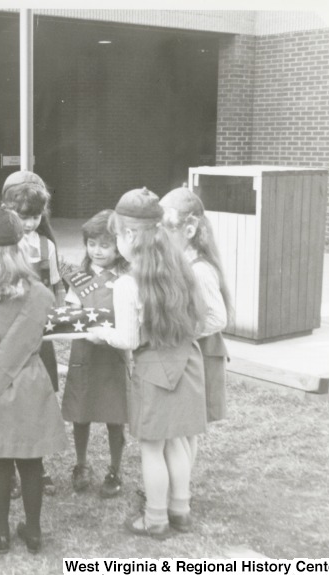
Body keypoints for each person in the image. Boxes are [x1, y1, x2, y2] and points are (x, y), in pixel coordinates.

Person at [87, 188, 206, 539]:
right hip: (188, 362)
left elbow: (129, 340)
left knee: (153, 448)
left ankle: (155, 518)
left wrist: (98, 333)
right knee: (178, 442)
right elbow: (199, 320)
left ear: (127, 237)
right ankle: (180, 510)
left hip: (154, 370)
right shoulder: (183, 267)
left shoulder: (127, 283)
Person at [0, 207, 68, 554]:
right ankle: (33, 530)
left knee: (0, 462)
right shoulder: (41, 294)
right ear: (21, 249)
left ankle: (1, 532)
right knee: (32, 461)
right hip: (33, 379)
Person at [0, 170, 63, 497]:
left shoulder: (46, 246)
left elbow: (56, 288)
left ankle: (38, 467)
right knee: (8, 403)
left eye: (35, 217)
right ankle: (9, 469)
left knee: (39, 400)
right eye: (22, 217)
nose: (28, 224)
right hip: (6, 337)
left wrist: (56, 319)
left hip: (38, 338)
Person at [160, 186, 232, 463]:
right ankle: (178, 484)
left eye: (167, 232)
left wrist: (178, 334)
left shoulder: (200, 270)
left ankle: (179, 487)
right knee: (181, 426)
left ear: (188, 231)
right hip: (189, 354)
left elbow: (217, 317)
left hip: (199, 355)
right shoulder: (179, 263)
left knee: (186, 429)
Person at [61, 209, 129, 498]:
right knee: (81, 411)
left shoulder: (127, 277)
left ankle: (115, 468)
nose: (97, 251)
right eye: (92, 244)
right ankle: (81, 464)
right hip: (85, 352)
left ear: (119, 246)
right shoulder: (78, 279)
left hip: (113, 353)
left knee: (116, 414)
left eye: (105, 245)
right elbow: (71, 312)